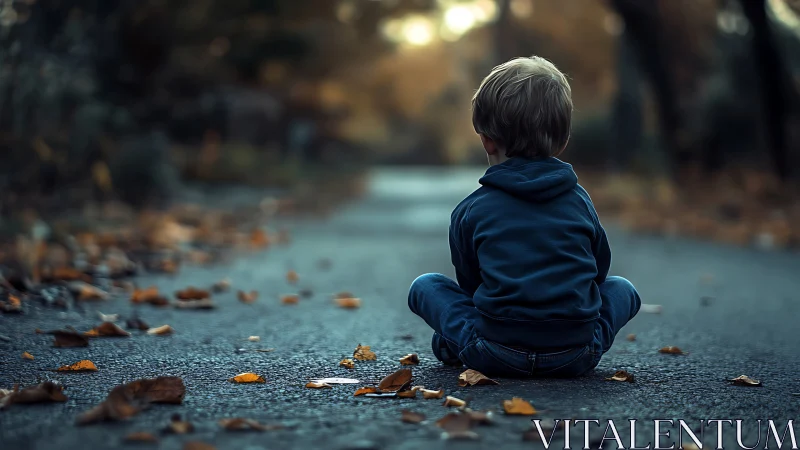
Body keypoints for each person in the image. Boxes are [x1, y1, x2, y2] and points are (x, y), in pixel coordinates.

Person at [407, 56, 641, 377]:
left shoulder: (472, 208)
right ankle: (569, 341)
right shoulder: (580, 201)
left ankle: (454, 342)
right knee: (622, 288)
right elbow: (599, 273)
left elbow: (471, 283)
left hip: (495, 351)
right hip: (575, 353)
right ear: (563, 140)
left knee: (426, 286)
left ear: (487, 140)